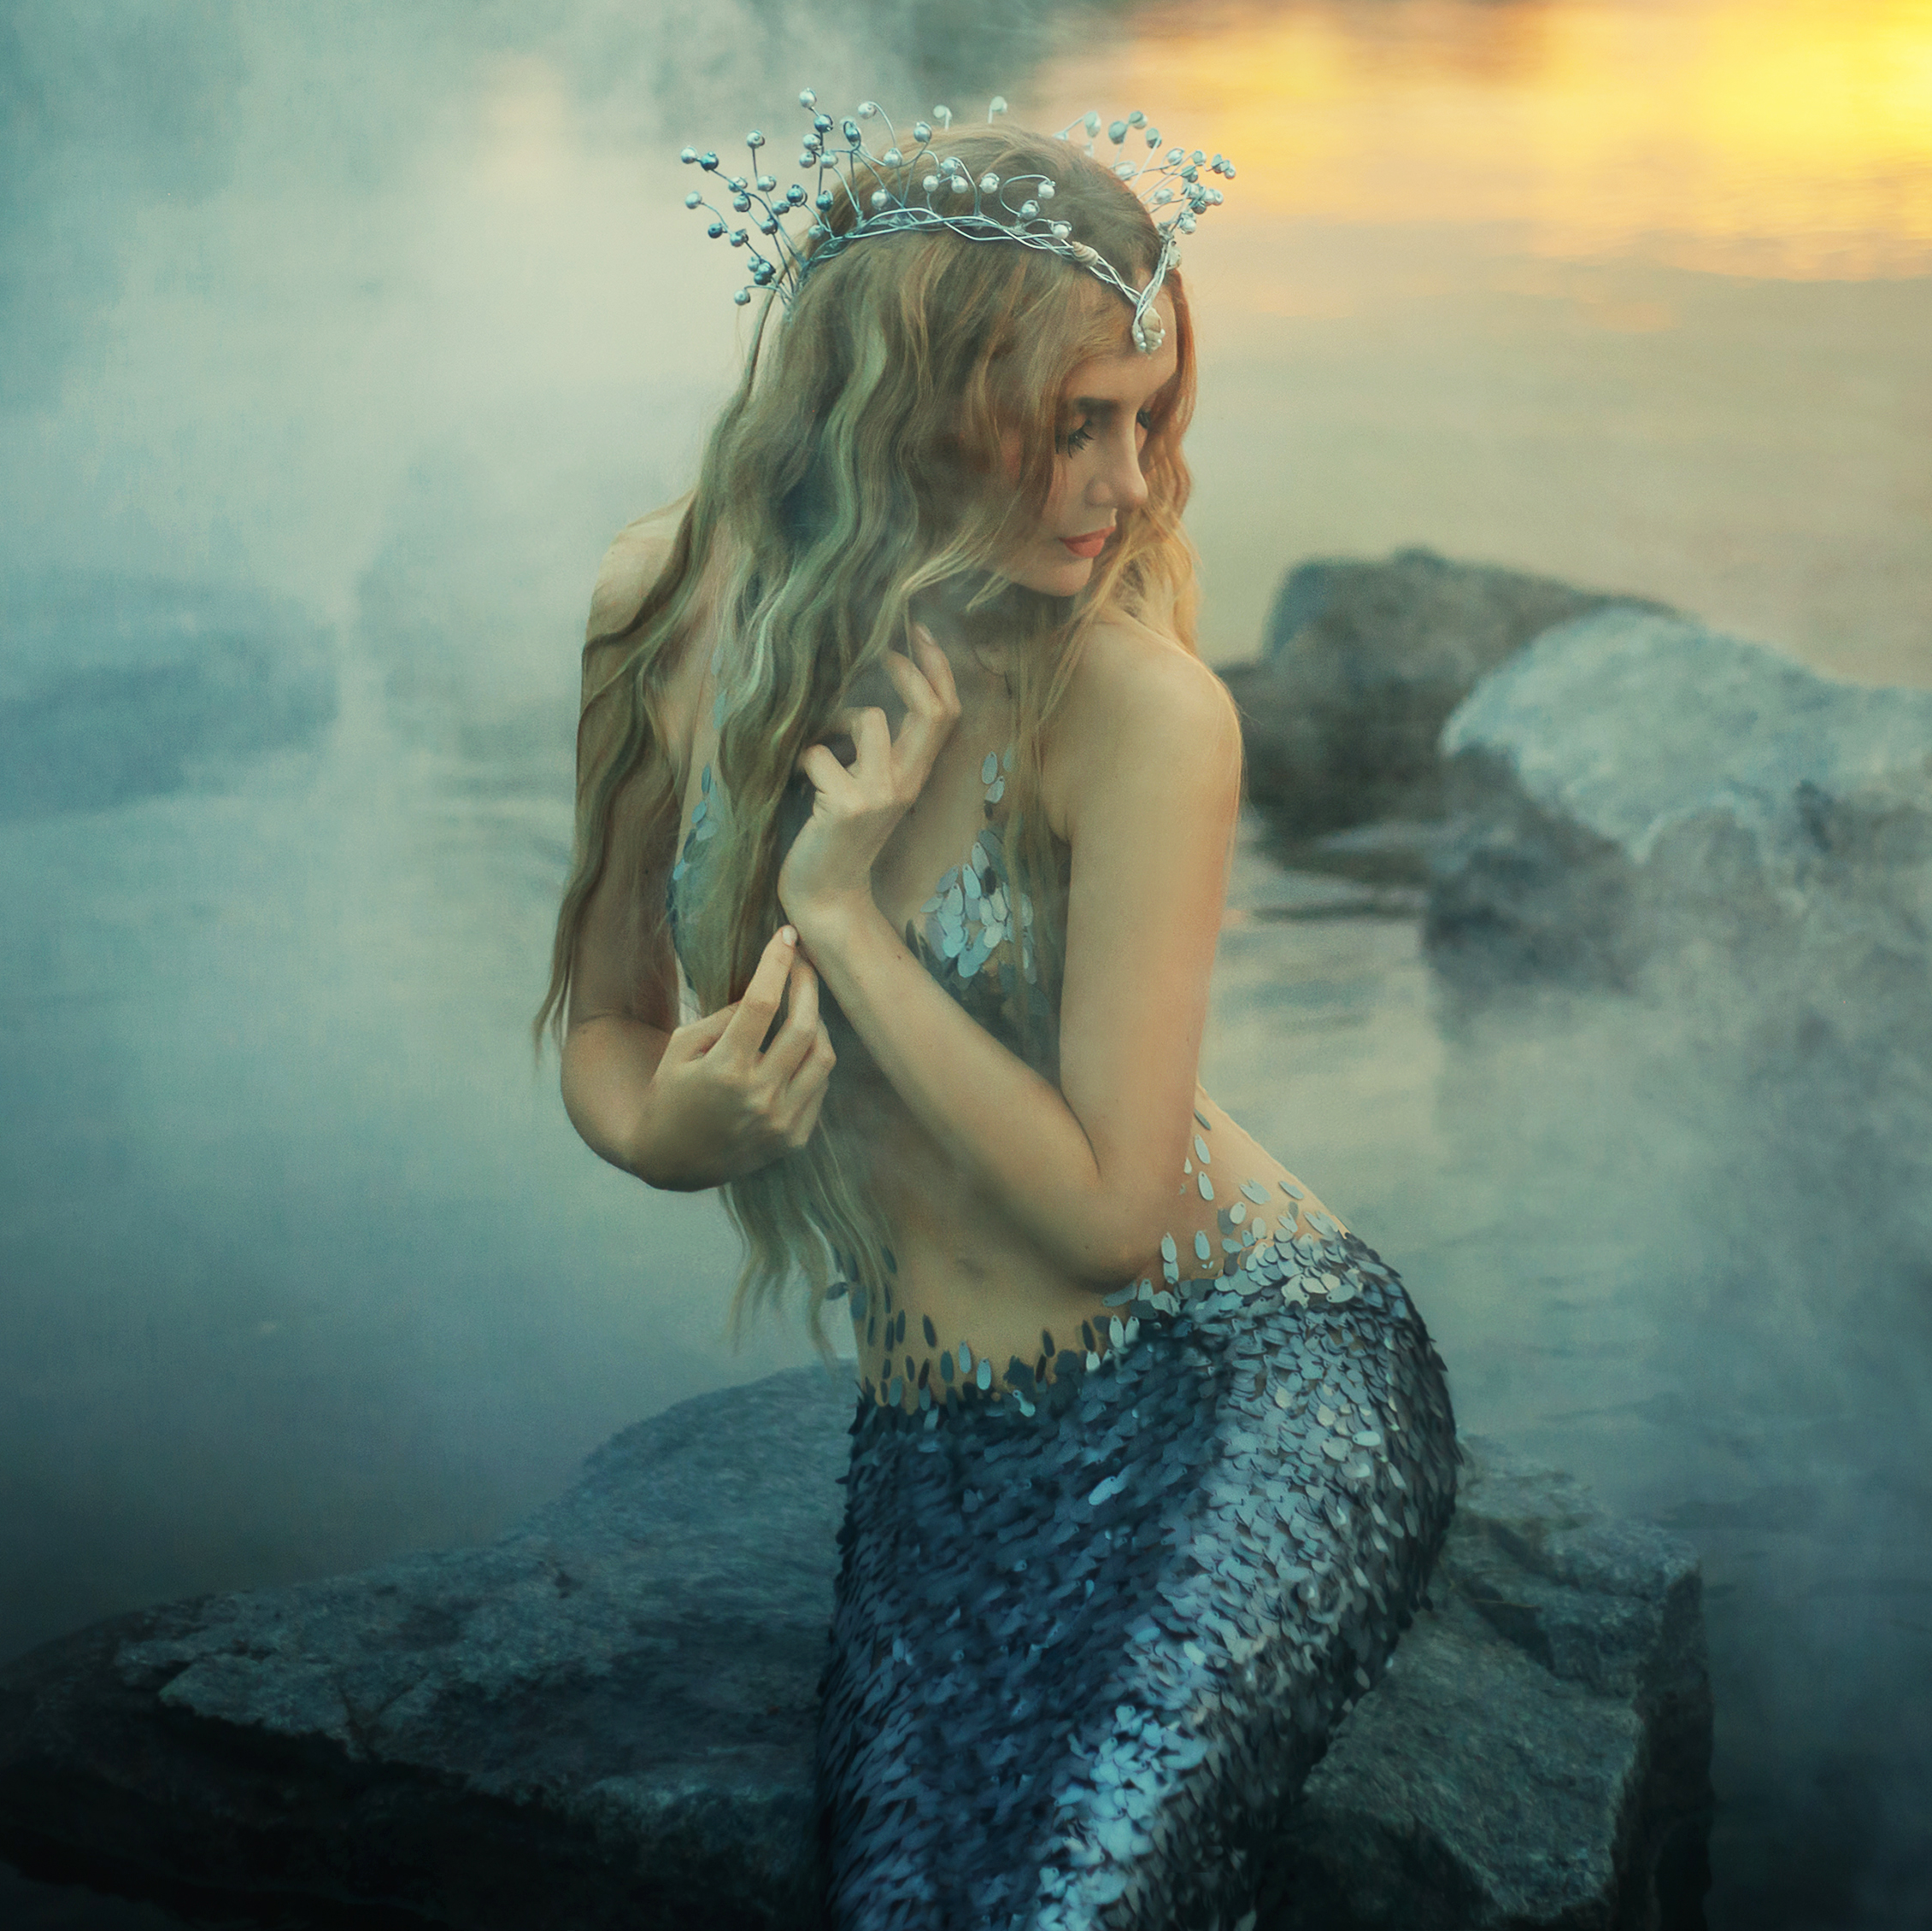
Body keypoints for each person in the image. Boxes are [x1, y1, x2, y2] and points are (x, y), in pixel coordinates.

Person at [536, 102, 1458, 1930]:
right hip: (943, 1434)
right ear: (910, 414)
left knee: (1079, 1902)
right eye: (1068, 427)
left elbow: (1116, 1217)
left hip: (1243, 1384)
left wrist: (842, 922)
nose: (1123, 486)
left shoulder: (1140, 712)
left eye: (1147, 420)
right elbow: (606, 1025)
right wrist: (674, 1131)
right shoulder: (663, 601)